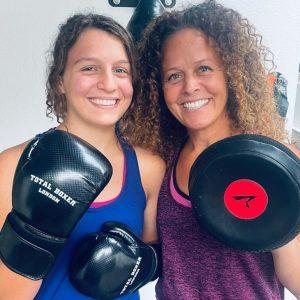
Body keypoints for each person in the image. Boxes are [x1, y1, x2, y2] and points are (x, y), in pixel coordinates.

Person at [136, 0, 300, 299]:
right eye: (174, 75)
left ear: (232, 73)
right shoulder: (162, 162)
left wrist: (278, 217)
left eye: (204, 68)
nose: (190, 87)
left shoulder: (277, 161)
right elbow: (154, 252)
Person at [0, 13, 165, 299]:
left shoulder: (149, 167)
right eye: (89, 68)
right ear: (60, 80)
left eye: (121, 70)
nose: (108, 84)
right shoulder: (14, 165)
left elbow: (157, 253)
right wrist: (34, 236)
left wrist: (141, 265)